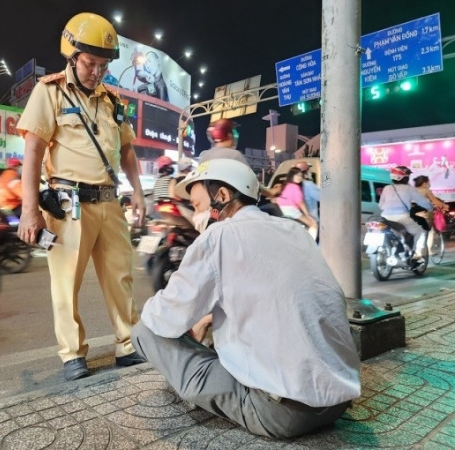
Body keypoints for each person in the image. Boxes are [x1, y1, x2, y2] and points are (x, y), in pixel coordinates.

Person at [131, 158, 361, 439]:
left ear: (223, 196)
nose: (196, 214)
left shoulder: (219, 236)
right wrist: (207, 317)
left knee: (144, 330)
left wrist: (186, 321)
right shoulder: (294, 230)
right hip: (337, 400)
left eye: (198, 205)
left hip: (282, 413)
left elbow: (164, 318)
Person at [16, 12, 147, 381]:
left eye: (103, 65)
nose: (97, 72)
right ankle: (72, 354)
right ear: (71, 55)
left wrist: (138, 192)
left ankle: (128, 344)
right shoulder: (50, 92)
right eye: (91, 63)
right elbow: (33, 152)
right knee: (65, 283)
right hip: (69, 205)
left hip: (109, 203)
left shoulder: (113, 102)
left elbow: (127, 153)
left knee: (120, 277)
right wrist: (30, 211)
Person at [379, 166, 429, 259]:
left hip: (385, 217)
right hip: (401, 217)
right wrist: (430, 207)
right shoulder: (409, 189)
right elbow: (423, 202)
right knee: (421, 232)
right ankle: (417, 254)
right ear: (405, 178)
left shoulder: (387, 188)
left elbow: (381, 205)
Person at [276, 167, 318, 240]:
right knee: (313, 224)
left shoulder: (286, 185)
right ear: (292, 175)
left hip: (284, 210)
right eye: (297, 175)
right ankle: (310, 245)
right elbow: (300, 202)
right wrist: (308, 215)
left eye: (301, 175)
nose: (299, 177)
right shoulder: (295, 187)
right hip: (291, 210)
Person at [413, 174, 449, 252]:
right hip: (424, 213)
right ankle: (428, 251)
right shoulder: (426, 190)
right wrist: (445, 206)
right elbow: (435, 201)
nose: (429, 184)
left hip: (411, 213)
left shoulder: (411, 190)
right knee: (429, 231)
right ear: (424, 183)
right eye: (428, 182)